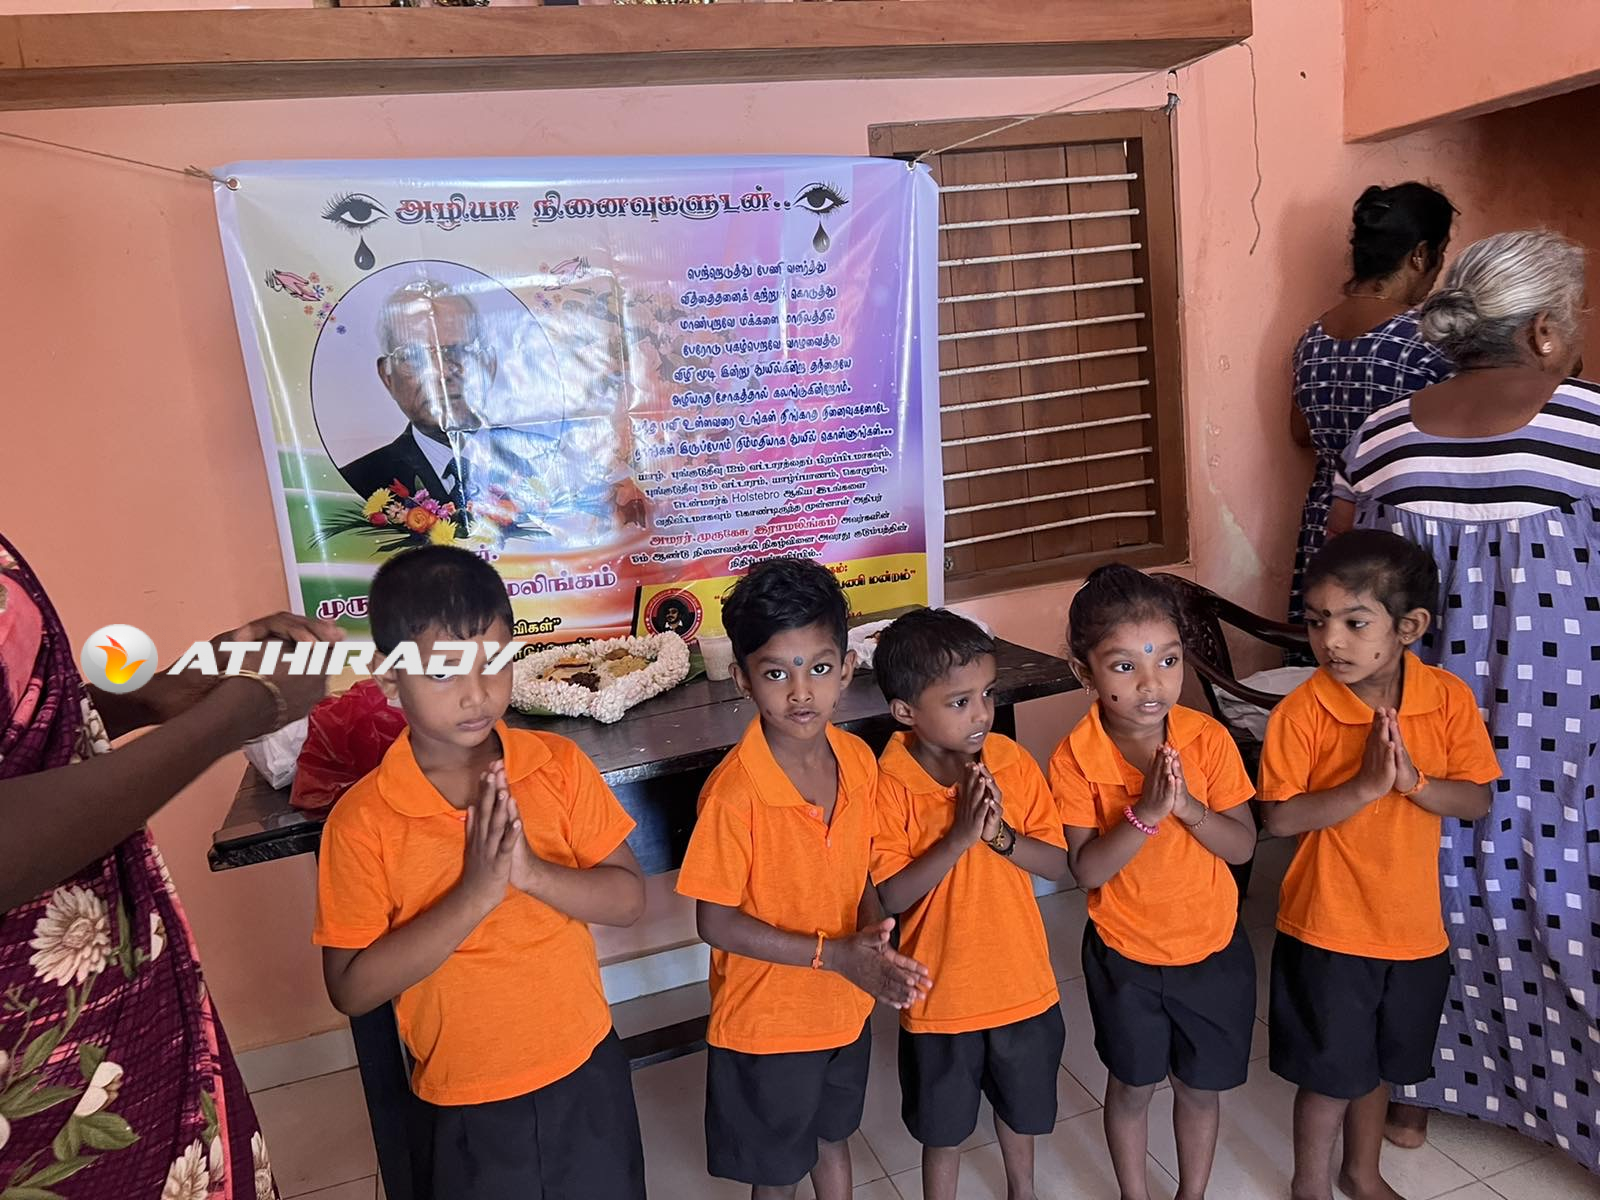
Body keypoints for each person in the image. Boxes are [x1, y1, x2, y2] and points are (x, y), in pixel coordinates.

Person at [1328, 229, 1600, 1169]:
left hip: (1414, 722)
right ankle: (1575, 1107)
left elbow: (1340, 574)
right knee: (1562, 890)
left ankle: (1413, 1100)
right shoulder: (1591, 430)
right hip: (1566, 728)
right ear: (1543, 331)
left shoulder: (1383, 435)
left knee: (1428, 885)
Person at [0, 533, 334, 1195]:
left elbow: (29, 734)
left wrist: (156, 695)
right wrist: (245, 709)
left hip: (113, 1028)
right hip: (34, 1085)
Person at [313, 545, 648, 1200]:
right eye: (443, 672)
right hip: (464, 1098)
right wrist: (474, 894)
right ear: (389, 678)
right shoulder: (362, 821)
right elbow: (351, 989)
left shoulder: (557, 766)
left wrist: (531, 874)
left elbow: (628, 899)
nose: (475, 693)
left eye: (492, 662)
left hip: (585, 1065)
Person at [675, 557, 932, 1200]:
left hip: (843, 1011)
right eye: (775, 673)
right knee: (779, 1175)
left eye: (818, 668)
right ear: (742, 679)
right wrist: (835, 955)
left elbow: (858, 872)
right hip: (767, 1025)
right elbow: (715, 921)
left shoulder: (858, 760)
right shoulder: (734, 795)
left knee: (832, 1139)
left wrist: (874, 944)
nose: (800, 692)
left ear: (846, 669)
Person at [1259, 530, 1499, 1200]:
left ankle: (1361, 1174)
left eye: (1354, 623)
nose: (1330, 641)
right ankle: (1310, 1185)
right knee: (1330, 1075)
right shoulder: (1301, 713)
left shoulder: (1446, 698)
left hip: (1413, 931)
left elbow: (1477, 799)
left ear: (1409, 627)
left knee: (1379, 1068)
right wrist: (1364, 787)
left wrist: (1412, 782)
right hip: (1328, 928)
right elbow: (1280, 819)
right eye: (1317, 621)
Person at [1048, 565, 1258, 1200]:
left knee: (1198, 1088)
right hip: (1126, 955)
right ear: (1085, 673)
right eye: (1124, 667)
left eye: (1168, 660)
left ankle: (1191, 1193)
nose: (1152, 683)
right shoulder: (1073, 758)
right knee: (1133, 1086)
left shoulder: (1208, 739)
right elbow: (1086, 870)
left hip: (1211, 949)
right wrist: (1145, 814)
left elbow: (1243, 845)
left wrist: (1188, 808)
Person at [869, 608, 1070, 1200]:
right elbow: (888, 897)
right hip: (940, 997)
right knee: (944, 1130)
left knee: (1020, 1111)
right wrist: (958, 837)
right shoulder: (886, 785)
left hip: (1020, 983)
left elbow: (1058, 864)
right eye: (959, 701)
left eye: (987, 693)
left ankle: (1022, 1191)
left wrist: (1000, 837)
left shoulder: (1011, 761)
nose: (981, 713)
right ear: (905, 711)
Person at [1288, 182, 1455, 626]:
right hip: (1397, 529)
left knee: (1334, 647)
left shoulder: (1311, 339)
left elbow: (1301, 433)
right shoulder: (1427, 339)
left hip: (1326, 524)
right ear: (1420, 255)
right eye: (1440, 254)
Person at [339, 278, 491, 510]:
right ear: (387, 376)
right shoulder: (356, 483)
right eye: (415, 356)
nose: (441, 373)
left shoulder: (539, 461)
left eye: (458, 351)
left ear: (489, 364)